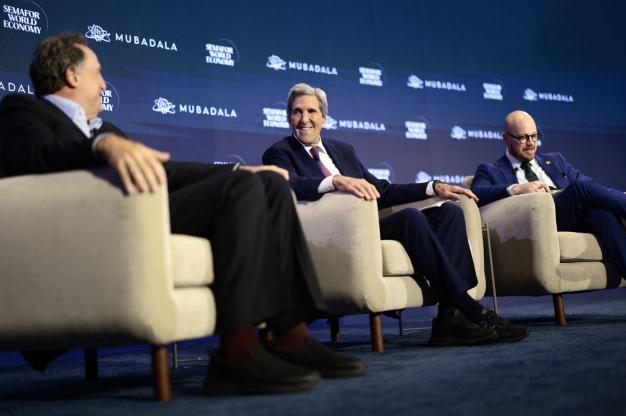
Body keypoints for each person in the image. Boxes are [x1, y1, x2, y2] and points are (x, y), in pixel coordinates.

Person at [0, 34, 367, 395]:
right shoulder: (23, 110)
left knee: (269, 187)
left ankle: (292, 336)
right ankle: (236, 355)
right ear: (71, 75)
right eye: (97, 73)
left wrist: (239, 171)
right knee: (241, 192)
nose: (103, 83)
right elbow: (36, 158)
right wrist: (101, 145)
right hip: (91, 225)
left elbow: (164, 171)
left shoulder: (106, 128)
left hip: (141, 214)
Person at [262, 83, 528, 346]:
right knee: (411, 218)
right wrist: (335, 182)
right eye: (297, 112)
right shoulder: (279, 152)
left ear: (323, 117)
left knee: (449, 213)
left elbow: (383, 191)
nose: (304, 119)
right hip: (336, 235)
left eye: (311, 111)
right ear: (288, 117)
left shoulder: (342, 150)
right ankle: (470, 307)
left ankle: (449, 319)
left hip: (370, 226)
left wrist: (432, 187)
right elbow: (289, 185)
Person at [472, 109, 626, 308]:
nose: (531, 143)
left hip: (575, 214)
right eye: (523, 138)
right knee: (579, 188)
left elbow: (588, 184)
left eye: (534, 136)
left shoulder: (555, 160)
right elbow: (478, 194)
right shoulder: (490, 170)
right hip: (542, 224)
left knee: (602, 215)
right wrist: (517, 188)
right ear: (506, 138)